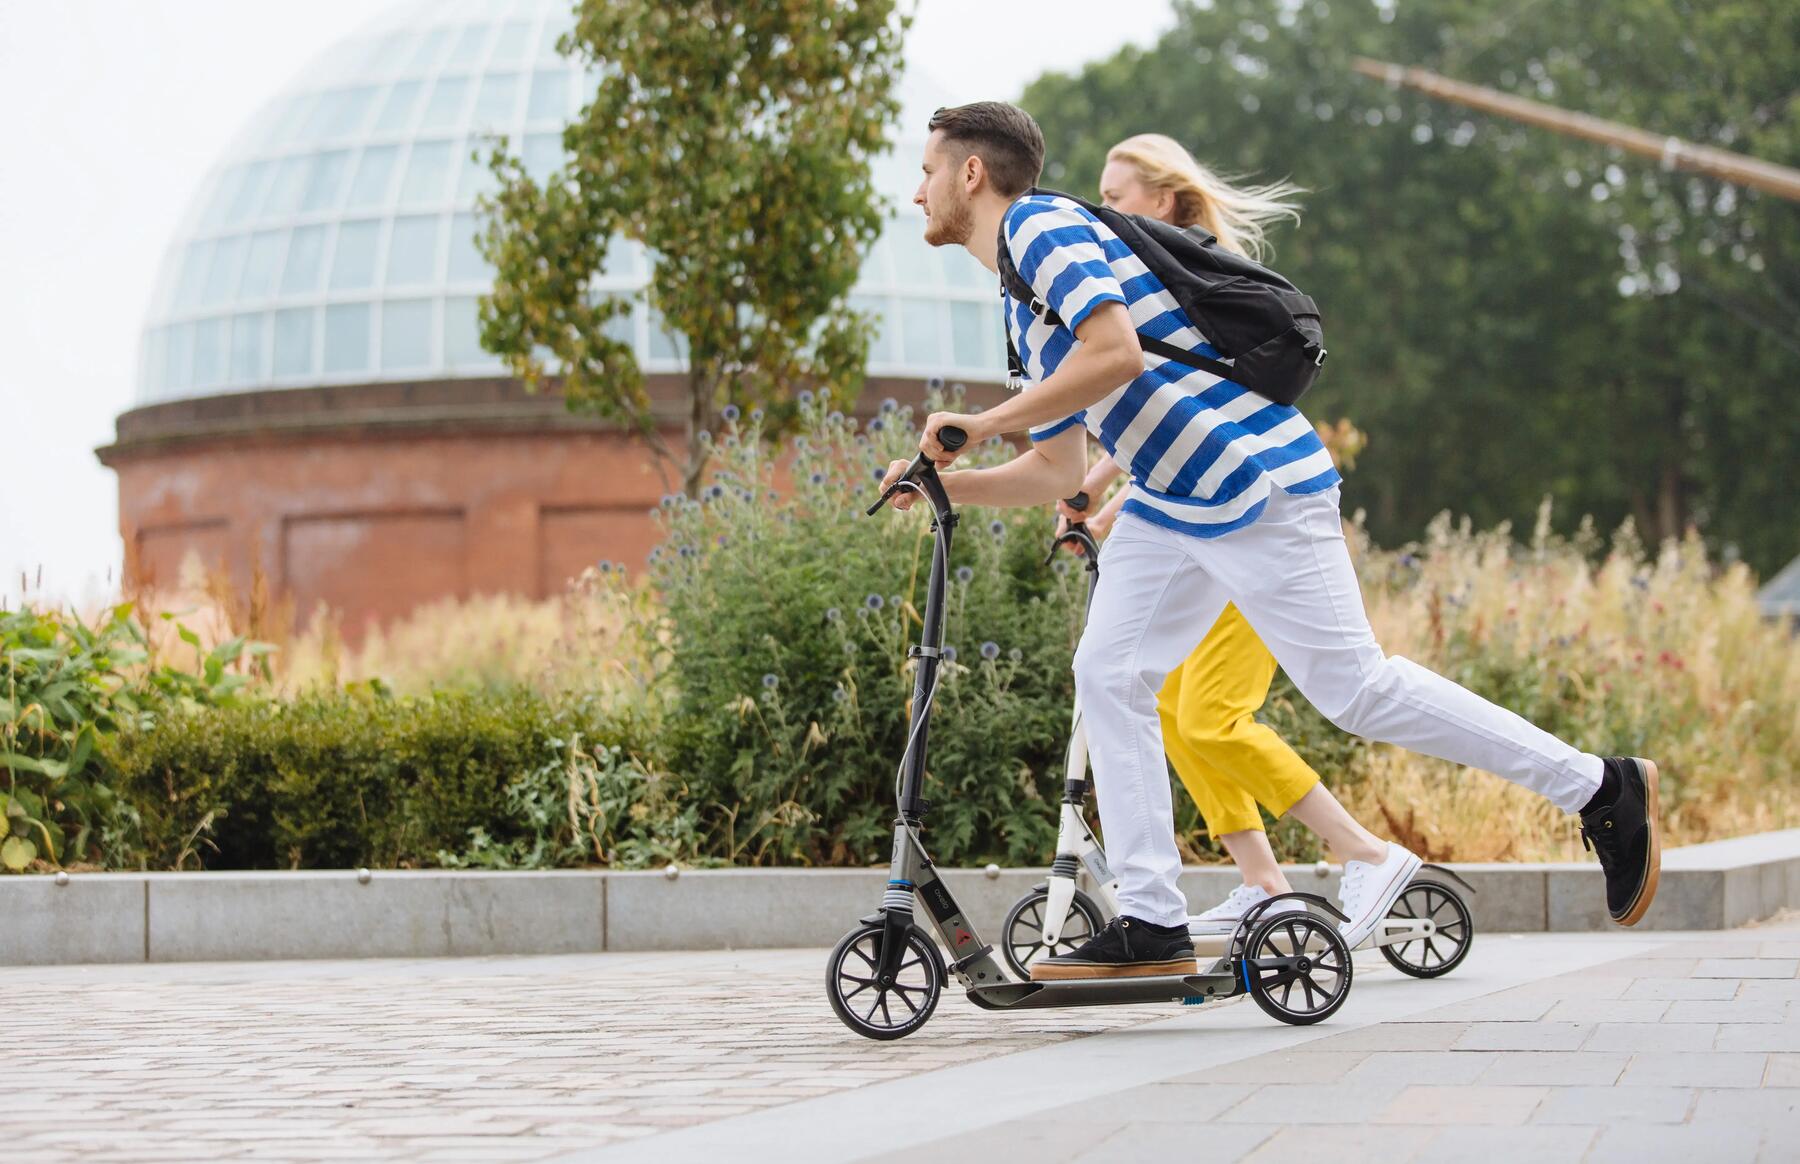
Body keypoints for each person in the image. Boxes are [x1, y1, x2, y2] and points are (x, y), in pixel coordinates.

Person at [887, 101, 1659, 982]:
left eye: (926, 173)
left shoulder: (1042, 227)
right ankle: (1150, 917)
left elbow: (1117, 354)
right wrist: (946, 481)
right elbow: (1059, 470)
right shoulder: (1017, 299)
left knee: (1357, 689)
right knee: (1108, 673)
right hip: (1173, 502)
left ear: (972, 174)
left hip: (1256, 483)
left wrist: (979, 423)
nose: (918, 194)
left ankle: (1600, 787)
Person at [1054, 132, 1411, 946]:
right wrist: (1105, 504)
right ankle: (1260, 880)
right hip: (1194, 520)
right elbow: (1161, 431)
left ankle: (1366, 853)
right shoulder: (1160, 281)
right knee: (1176, 712)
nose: (1105, 211)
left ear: (1166, 202)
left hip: (1246, 525)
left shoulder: (1187, 281)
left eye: (1118, 196)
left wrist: (1104, 493)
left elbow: (1199, 421)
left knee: (1211, 715)